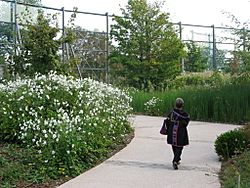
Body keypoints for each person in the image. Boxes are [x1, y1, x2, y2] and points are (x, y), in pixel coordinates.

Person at [166, 98, 190, 170]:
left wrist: (168, 129)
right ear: (182, 105)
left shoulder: (171, 113)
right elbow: (186, 123)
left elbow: (167, 122)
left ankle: (177, 158)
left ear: (175, 104)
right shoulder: (185, 115)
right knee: (180, 146)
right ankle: (175, 160)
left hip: (172, 131)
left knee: (174, 145)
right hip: (180, 132)